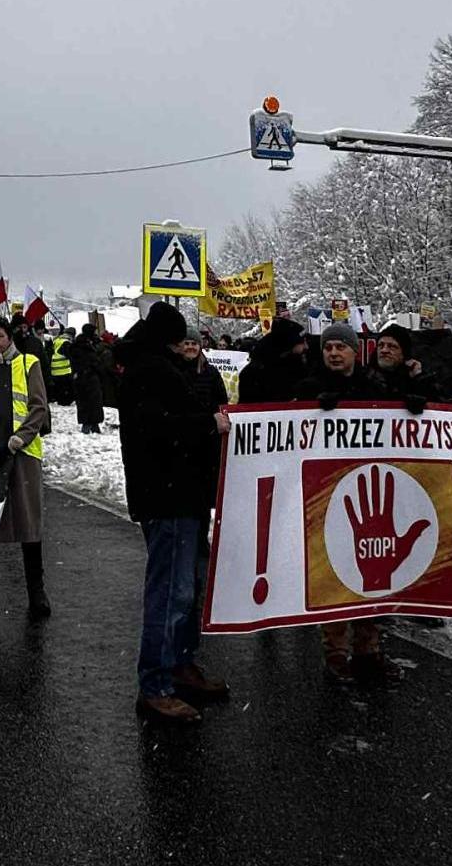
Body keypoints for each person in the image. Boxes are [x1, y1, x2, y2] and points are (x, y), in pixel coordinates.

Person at [115, 301, 232, 724]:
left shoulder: (153, 366)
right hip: (168, 496)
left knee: (188, 587)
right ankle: (156, 685)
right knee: (171, 592)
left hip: (183, 495)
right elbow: (159, 429)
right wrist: (208, 425)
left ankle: (180, 666)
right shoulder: (150, 370)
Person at [296, 323, 405, 685]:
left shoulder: (373, 385)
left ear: (354, 351)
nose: (334, 353)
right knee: (335, 571)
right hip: (327, 496)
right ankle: (336, 651)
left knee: (371, 572)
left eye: (341, 347)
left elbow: (395, 426)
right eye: (328, 348)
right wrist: (313, 408)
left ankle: (368, 649)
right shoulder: (309, 385)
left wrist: (413, 407)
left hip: (368, 492)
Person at [0, 317, 52, 620]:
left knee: (28, 522)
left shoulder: (29, 363)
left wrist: (22, 436)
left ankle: (37, 591)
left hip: (23, 452)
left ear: (9, 338)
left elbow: (39, 406)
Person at [237, 318, 309, 404]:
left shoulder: (301, 368)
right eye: (302, 342)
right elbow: (245, 410)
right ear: (289, 343)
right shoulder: (251, 374)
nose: (306, 347)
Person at [368, 323, 431, 412]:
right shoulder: (363, 378)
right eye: (380, 345)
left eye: (392, 346)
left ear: (404, 353)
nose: (384, 350)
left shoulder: (417, 379)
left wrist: (418, 381)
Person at [69, 324, 107, 433]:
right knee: (86, 401)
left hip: (89, 377)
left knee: (94, 401)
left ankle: (94, 423)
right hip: (85, 377)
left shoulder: (90, 344)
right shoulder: (81, 346)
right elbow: (90, 360)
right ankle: (87, 423)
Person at [47, 329, 75, 404]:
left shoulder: (57, 340)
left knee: (58, 389)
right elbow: (70, 356)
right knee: (65, 390)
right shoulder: (66, 343)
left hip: (54, 369)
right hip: (64, 370)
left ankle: (60, 400)